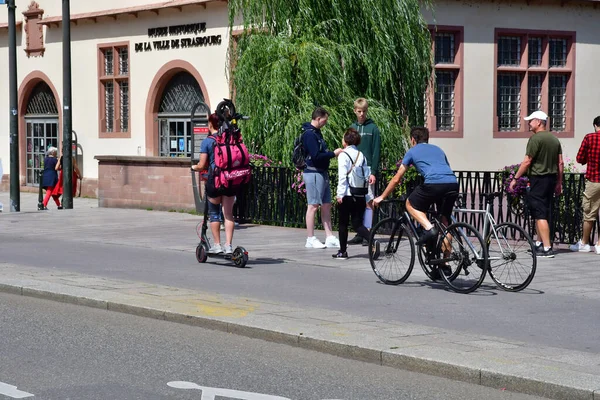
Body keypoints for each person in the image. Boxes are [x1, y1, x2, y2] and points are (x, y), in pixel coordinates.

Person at [373, 126, 458, 275]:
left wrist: (382, 196)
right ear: (427, 138)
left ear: (413, 139)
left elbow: (397, 178)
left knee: (410, 203)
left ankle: (428, 228)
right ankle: (444, 264)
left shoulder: (412, 151)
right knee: (445, 224)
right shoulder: (438, 149)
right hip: (452, 183)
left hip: (433, 184)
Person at [509, 110, 563, 258]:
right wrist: (559, 182)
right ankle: (539, 244)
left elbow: (527, 161)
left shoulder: (535, 139)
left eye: (531, 120)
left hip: (538, 179)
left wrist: (515, 178)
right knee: (543, 211)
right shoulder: (554, 139)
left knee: (540, 214)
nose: (529, 123)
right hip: (550, 179)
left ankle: (547, 248)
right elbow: (560, 163)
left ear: (539, 122)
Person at [191, 113, 238, 255]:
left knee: (214, 214)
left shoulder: (208, 141)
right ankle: (228, 246)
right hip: (229, 179)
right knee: (228, 214)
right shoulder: (230, 138)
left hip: (215, 180)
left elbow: (202, 164)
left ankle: (217, 245)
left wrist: (194, 167)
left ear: (210, 124)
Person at [302, 107, 343, 249]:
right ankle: (310, 238)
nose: (325, 123)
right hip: (313, 172)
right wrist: (333, 153)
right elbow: (316, 155)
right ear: (318, 118)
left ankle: (329, 236)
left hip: (322, 172)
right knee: (313, 205)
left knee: (326, 204)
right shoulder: (309, 135)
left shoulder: (317, 133)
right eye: (324, 120)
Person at [333, 128, 371, 259]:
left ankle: (342, 251)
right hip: (360, 193)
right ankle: (372, 240)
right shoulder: (361, 155)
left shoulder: (343, 155)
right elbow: (367, 174)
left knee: (343, 224)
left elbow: (342, 176)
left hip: (348, 194)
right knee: (358, 224)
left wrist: (339, 194)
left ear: (346, 141)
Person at [348, 98, 381, 246]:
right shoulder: (352, 128)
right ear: (355, 111)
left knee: (368, 201)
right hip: (354, 170)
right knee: (356, 202)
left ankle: (368, 231)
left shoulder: (373, 128)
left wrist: (373, 172)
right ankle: (359, 232)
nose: (362, 114)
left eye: (364, 111)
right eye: (359, 111)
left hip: (367, 170)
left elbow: (376, 151)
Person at [570, 116, 600, 254]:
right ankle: (599, 244)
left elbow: (580, 158)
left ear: (595, 125)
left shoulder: (590, 138)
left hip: (594, 180)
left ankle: (584, 243)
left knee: (589, 213)